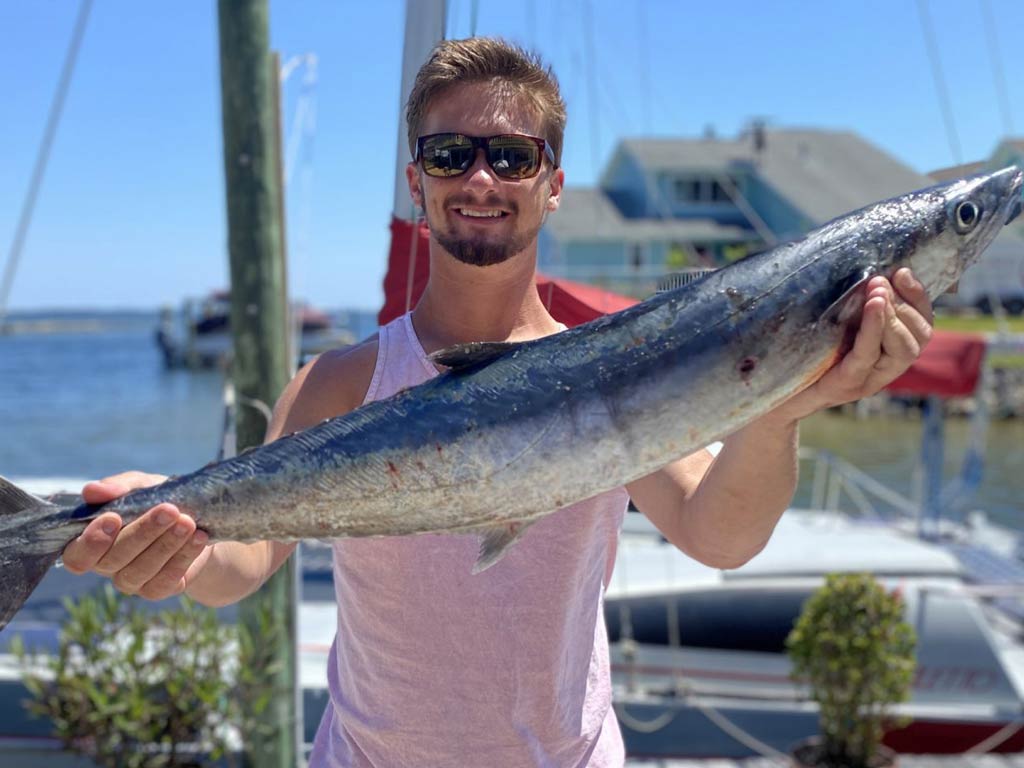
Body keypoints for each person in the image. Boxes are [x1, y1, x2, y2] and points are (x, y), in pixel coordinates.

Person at [62, 38, 934, 767]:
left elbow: (720, 534)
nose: (481, 178)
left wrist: (781, 408)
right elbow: (244, 564)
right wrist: (170, 545)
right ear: (418, 181)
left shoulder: (617, 365)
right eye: (452, 154)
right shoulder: (339, 380)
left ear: (552, 184)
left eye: (511, 156)